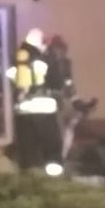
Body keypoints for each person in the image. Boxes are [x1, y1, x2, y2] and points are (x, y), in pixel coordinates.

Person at [7, 29, 63, 173]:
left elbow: (13, 82)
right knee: (51, 146)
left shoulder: (16, 58)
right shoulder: (45, 58)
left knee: (27, 147)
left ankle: (29, 175)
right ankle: (53, 176)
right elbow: (57, 82)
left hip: (23, 110)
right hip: (44, 110)